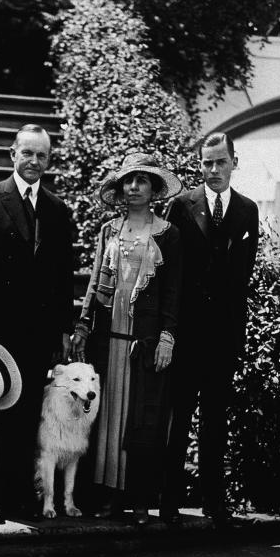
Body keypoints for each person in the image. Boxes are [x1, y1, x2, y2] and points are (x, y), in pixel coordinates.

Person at [0, 124, 75, 524]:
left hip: (39, 330)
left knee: (29, 414)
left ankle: (19, 496)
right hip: (0, 329)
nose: (33, 162)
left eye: (41, 155)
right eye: (26, 153)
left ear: (49, 160)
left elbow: (65, 276)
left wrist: (63, 328)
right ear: (13, 154)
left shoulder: (57, 210)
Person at [70, 152, 183, 526]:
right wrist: (84, 325)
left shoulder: (168, 234)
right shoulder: (108, 231)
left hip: (143, 345)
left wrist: (166, 336)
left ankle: (138, 500)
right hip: (109, 339)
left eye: (142, 181)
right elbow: (93, 285)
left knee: (142, 421)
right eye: (128, 181)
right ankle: (105, 497)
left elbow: (172, 292)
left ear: (153, 189)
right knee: (106, 419)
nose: (134, 187)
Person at [161, 132, 259, 526]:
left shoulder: (247, 210)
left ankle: (214, 502)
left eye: (221, 162)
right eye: (207, 163)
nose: (214, 170)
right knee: (178, 419)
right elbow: (169, 272)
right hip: (186, 335)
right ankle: (168, 501)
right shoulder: (181, 206)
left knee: (216, 421)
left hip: (223, 336)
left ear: (235, 161)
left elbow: (243, 276)